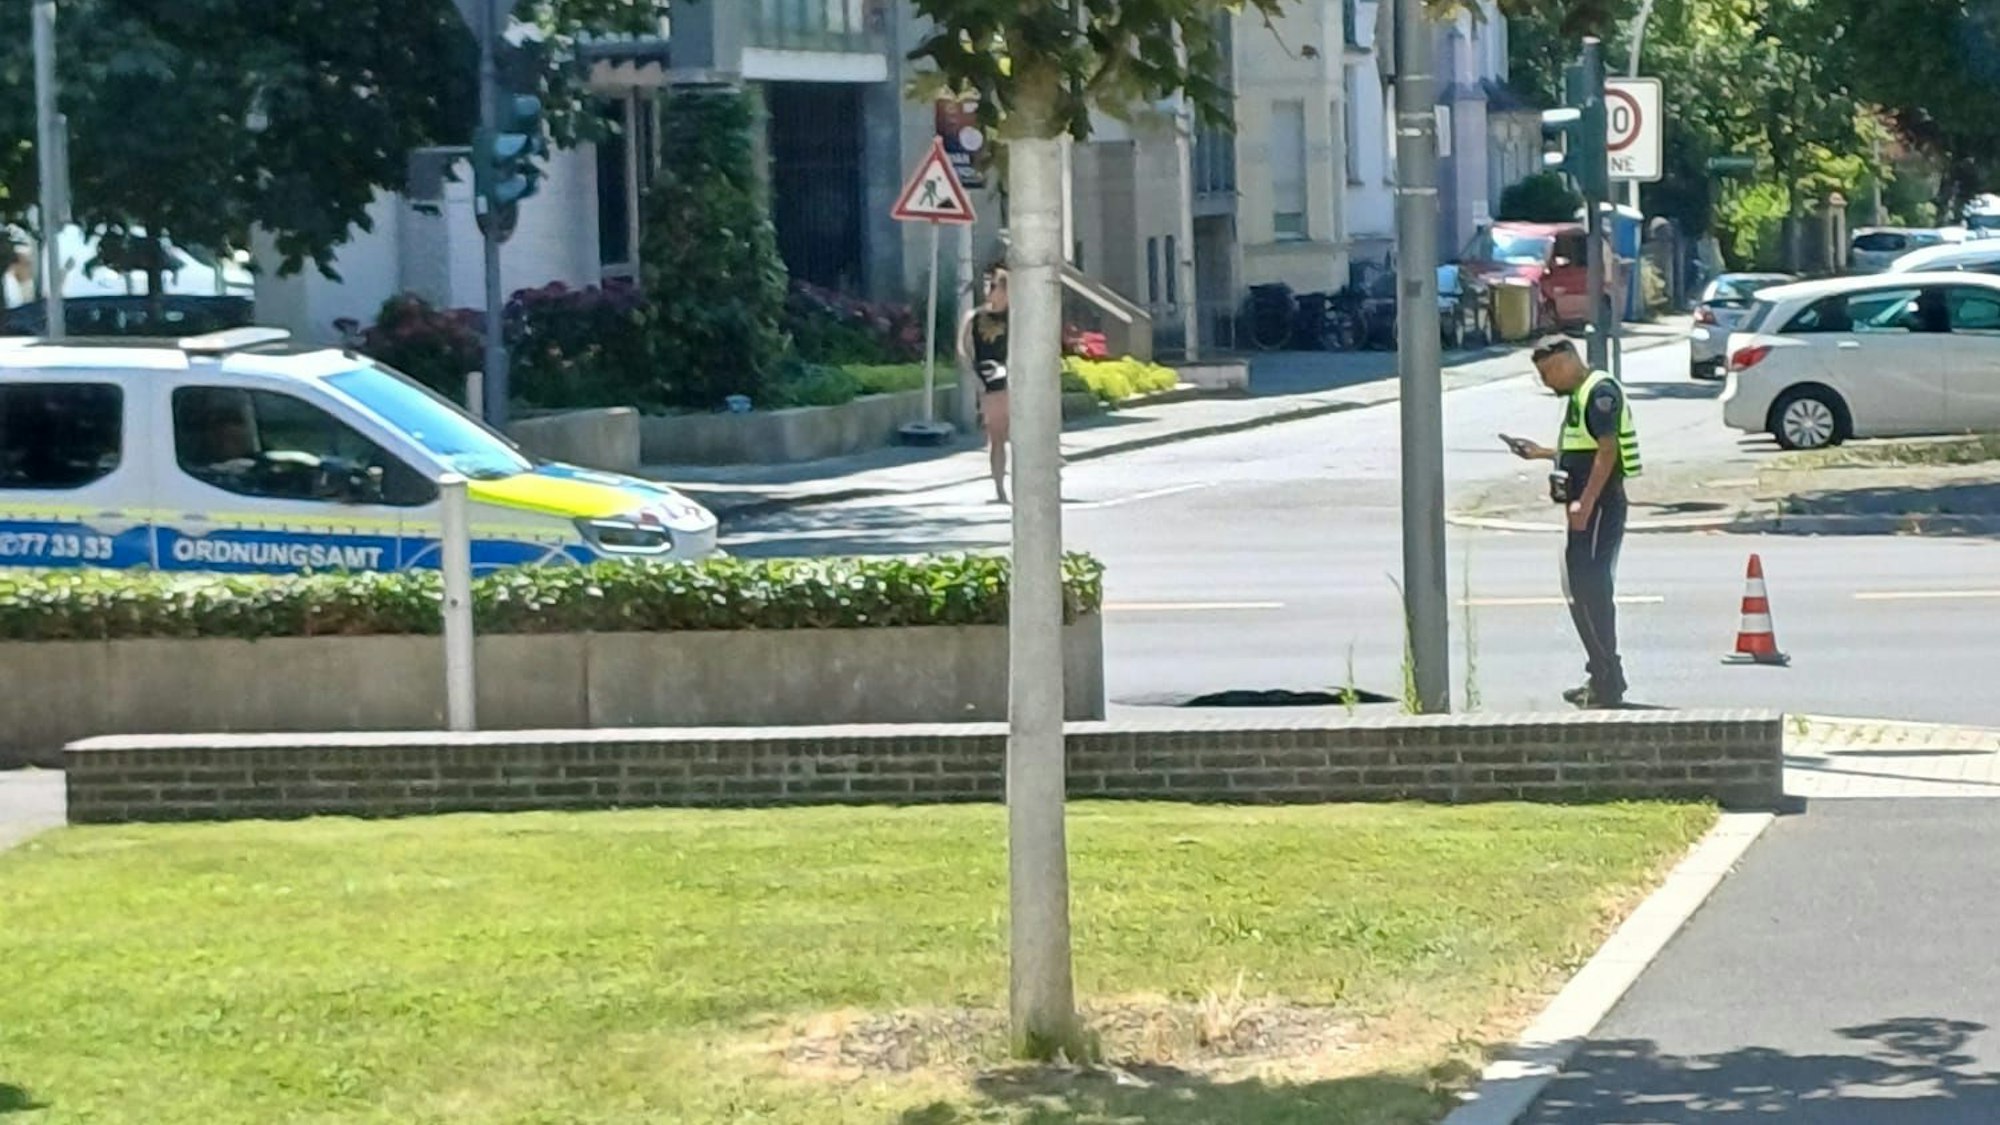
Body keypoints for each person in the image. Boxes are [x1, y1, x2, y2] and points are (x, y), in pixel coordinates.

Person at [1501, 336, 1643, 708]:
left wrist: (1585, 502)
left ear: (1566, 361)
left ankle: (1607, 681)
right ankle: (1601, 674)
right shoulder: (1581, 395)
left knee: (1590, 589)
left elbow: (1607, 451)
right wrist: (1541, 453)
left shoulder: (1599, 392)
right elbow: (1585, 448)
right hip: (1587, 509)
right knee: (1578, 588)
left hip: (1598, 509)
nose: (1547, 382)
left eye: (1548, 373)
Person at [957, 264, 1011, 504]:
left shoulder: (1018, 316)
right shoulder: (975, 317)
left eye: (993, 284)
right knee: (997, 437)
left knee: (1022, 435)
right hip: (991, 382)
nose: (988, 289)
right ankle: (999, 487)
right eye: (987, 284)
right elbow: (963, 350)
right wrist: (975, 377)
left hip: (1016, 379)